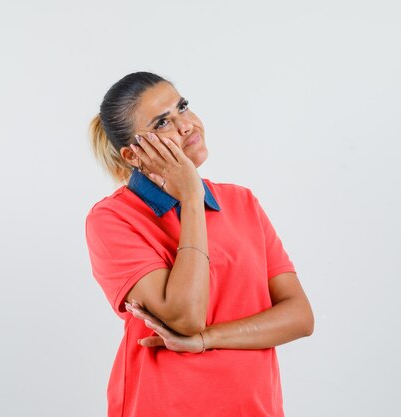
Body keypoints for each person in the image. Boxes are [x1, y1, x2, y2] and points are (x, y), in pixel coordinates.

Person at [85, 71, 314, 417]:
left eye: (183, 107)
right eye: (163, 123)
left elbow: (299, 317)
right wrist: (192, 198)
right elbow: (185, 317)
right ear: (132, 156)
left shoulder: (242, 203)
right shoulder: (113, 219)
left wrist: (208, 340)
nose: (186, 125)